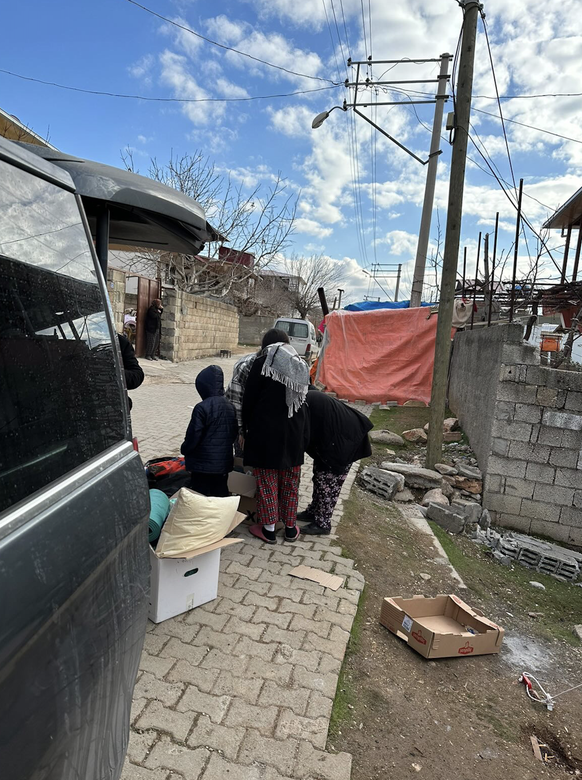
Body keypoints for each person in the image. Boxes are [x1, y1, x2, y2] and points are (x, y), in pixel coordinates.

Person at [242, 330, 310, 544]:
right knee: (291, 481)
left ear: (266, 344)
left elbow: (249, 399)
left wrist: (245, 429)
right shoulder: (300, 364)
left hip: (266, 433)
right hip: (294, 433)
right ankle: (290, 528)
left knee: (267, 481)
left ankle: (269, 529)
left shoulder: (263, 361)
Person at [298, 388, 373, 535]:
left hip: (345, 441)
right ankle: (313, 511)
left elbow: (303, 435)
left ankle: (323, 523)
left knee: (329, 482)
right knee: (319, 476)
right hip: (335, 436)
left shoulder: (301, 404)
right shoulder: (303, 396)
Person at [226, 329, 295, 456]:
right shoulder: (247, 365)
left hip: (271, 428)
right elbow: (236, 399)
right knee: (243, 464)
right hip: (247, 426)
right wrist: (242, 431)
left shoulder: (289, 367)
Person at [181, 365, 238, 497]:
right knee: (220, 496)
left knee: (200, 498)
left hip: (202, 465)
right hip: (223, 464)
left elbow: (193, 436)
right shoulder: (230, 406)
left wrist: (185, 449)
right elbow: (233, 433)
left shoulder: (201, 408)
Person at [117, 332, 144, 410]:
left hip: (113, 409)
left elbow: (137, 375)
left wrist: (116, 373)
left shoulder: (120, 342)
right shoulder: (80, 341)